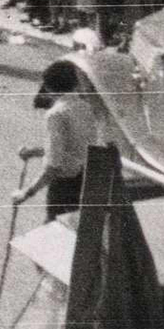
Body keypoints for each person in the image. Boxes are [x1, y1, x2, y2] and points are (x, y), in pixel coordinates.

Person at [11, 64, 99, 223]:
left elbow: (54, 165)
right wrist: (34, 151)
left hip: (66, 185)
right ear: (74, 83)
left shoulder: (56, 114)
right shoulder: (86, 107)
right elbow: (72, 147)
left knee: (55, 233)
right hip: (88, 180)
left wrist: (26, 193)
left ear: (49, 87)